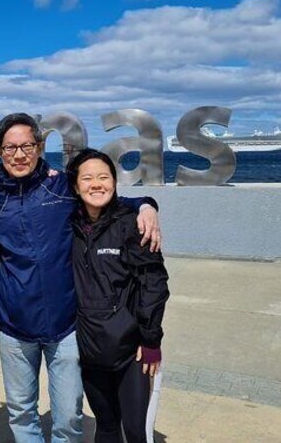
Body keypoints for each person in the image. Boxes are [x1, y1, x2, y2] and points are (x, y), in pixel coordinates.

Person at [0, 113, 161, 442]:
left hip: (65, 325)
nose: (19, 154)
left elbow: (105, 197)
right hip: (13, 327)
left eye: (27, 146)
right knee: (21, 411)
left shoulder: (62, 187)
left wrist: (146, 205)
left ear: (39, 147)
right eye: (10, 148)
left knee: (68, 415)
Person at [66, 149, 169, 443]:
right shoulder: (67, 226)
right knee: (107, 426)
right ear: (75, 186)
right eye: (87, 178)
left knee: (136, 432)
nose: (97, 184)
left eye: (104, 177)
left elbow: (154, 283)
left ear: (114, 182)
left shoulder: (132, 224)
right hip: (90, 351)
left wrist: (151, 340)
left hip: (131, 353)